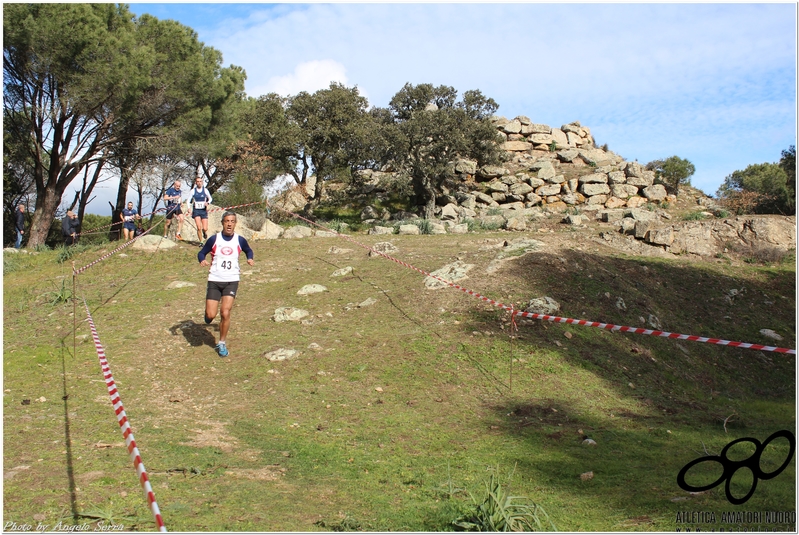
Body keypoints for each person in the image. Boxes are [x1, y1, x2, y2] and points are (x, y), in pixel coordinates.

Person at [197, 211, 254, 358]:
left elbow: (248, 250)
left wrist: (250, 258)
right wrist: (202, 260)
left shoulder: (239, 240)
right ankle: (208, 316)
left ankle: (221, 343)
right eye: (227, 221)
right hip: (215, 280)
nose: (229, 224)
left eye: (232, 221)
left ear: (235, 223)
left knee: (225, 312)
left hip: (231, 280)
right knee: (211, 315)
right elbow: (201, 252)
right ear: (222, 222)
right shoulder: (214, 239)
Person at [190, 177, 213, 246]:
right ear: (196, 183)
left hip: (203, 210)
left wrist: (208, 203)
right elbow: (188, 200)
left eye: (200, 181)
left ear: (202, 182)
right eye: (198, 181)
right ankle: (201, 242)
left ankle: (204, 232)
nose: (199, 183)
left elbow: (210, 198)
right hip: (196, 210)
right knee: (199, 227)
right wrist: (189, 208)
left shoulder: (205, 190)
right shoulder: (193, 191)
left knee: (205, 228)